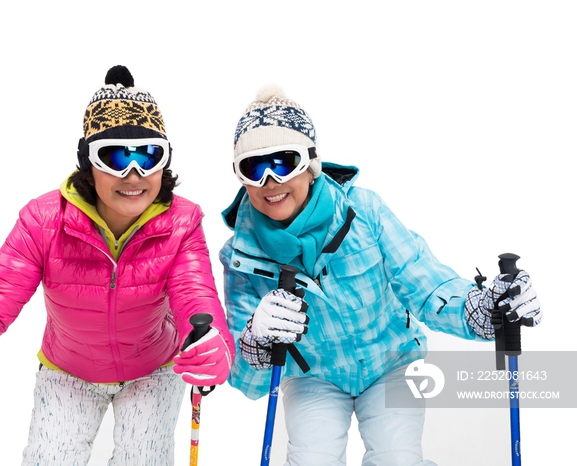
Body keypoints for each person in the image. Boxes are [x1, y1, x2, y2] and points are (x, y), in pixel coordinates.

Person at [0, 65, 235, 466]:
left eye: (149, 155)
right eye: (114, 157)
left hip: (151, 369)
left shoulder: (182, 222)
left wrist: (214, 346)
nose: (133, 174)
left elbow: (197, 300)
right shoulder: (43, 220)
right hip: (69, 370)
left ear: (165, 161)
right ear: (87, 161)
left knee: (142, 457)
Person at [219, 84, 542, 466]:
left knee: (397, 459)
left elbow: (425, 282)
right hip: (313, 376)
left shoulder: (364, 212)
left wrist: (484, 309)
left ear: (311, 162)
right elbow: (245, 380)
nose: (270, 181)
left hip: (389, 360)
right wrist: (255, 340)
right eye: (253, 167)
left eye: (284, 161)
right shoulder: (240, 257)